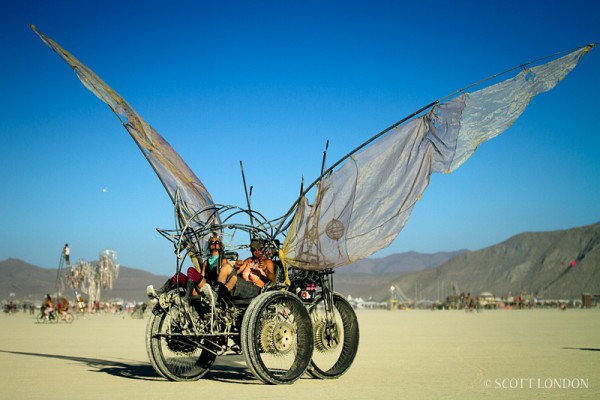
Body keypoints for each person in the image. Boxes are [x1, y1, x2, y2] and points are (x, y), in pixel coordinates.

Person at [147, 236, 236, 304]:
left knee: (191, 270)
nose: (214, 243)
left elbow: (226, 274)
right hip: (204, 286)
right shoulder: (206, 262)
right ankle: (160, 292)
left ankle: (187, 297)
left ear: (220, 245)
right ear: (209, 246)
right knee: (179, 276)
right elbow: (202, 276)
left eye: (217, 242)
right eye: (211, 242)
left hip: (212, 288)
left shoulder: (222, 260)